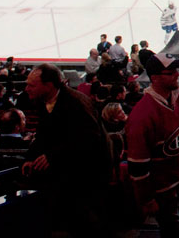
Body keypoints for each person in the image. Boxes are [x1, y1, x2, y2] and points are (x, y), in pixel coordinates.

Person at [21, 63, 112, 237]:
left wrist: (53, 157)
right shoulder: (43, 102)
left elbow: (89, 140)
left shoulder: (77, 103)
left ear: (48, 86)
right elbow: (43, 135)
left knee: (87, 223)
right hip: (69, 172)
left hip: (89, 175)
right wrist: (30, 158)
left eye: (31, 85)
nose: (26, 89)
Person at [127, 53, 179, 237]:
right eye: (171, 72)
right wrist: (146, 199)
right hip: (160, 189)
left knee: (178, 220)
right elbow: (138, 168)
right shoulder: (141, 116)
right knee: (172, 229)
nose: (178, 74)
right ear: (155, 78)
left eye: (176, 70)